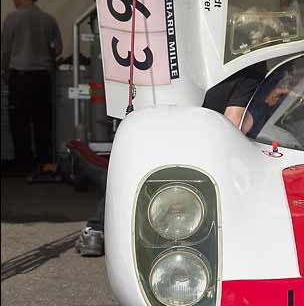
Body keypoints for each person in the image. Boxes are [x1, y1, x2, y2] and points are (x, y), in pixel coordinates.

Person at [76, 62, 266, 257]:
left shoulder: (206, 59)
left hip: (157, 113)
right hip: (201, 148)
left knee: (132, 169)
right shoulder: (250, 72)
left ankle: (97, 231)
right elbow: (234, 123)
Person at [1, 0, 62, 174]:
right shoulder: (49, 20)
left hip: (20, 77)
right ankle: (44, 162)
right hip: (43, 78)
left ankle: (23, 164)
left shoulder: (12, 18)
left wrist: (4, 72)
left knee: (19, 122)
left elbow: (6, 50)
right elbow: (58, 49)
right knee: (42, 120)